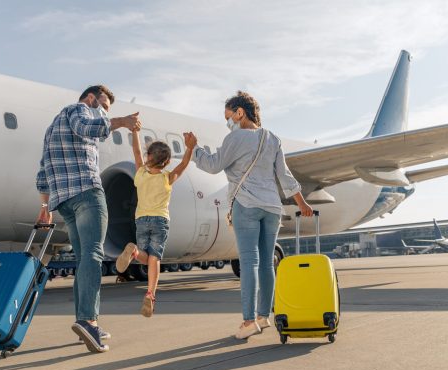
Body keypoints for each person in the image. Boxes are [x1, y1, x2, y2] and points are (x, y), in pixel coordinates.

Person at [192, 91, 313, 339]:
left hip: (246, 206)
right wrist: (302, 203)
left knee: (249, 262)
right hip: (272, 208)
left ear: (240, 112)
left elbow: (213, 165)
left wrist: (194, 150)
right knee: (267, 263)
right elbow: (285, 176)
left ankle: (248, 322)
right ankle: (263, 316)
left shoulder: (234, 138)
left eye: (229, 117)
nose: (228, 123)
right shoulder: (272, 139)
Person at [36, 85, 141, 353]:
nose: (105, 113)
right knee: (94, 256)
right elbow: (88, 128)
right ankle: (88, 320)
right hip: (86, 193)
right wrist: (122, 122)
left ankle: (86, 320)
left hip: (64, 202)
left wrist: (45, 206)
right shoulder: (79, 110)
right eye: (104, 106)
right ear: (92, 98)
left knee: (84, 260)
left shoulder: (52, 128)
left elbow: (43, 170)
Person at [115, 129, 197, 316]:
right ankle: (150, 294)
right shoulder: (167, 177)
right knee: (155, 258)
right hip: (160, 220)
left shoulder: (141, 174)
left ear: (148, 156)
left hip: (142, 219)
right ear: (167, 162)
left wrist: (135, 131)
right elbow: (183, 165)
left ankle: (134, 251)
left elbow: (136, 151)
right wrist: (189, 148)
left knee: (145, 255)